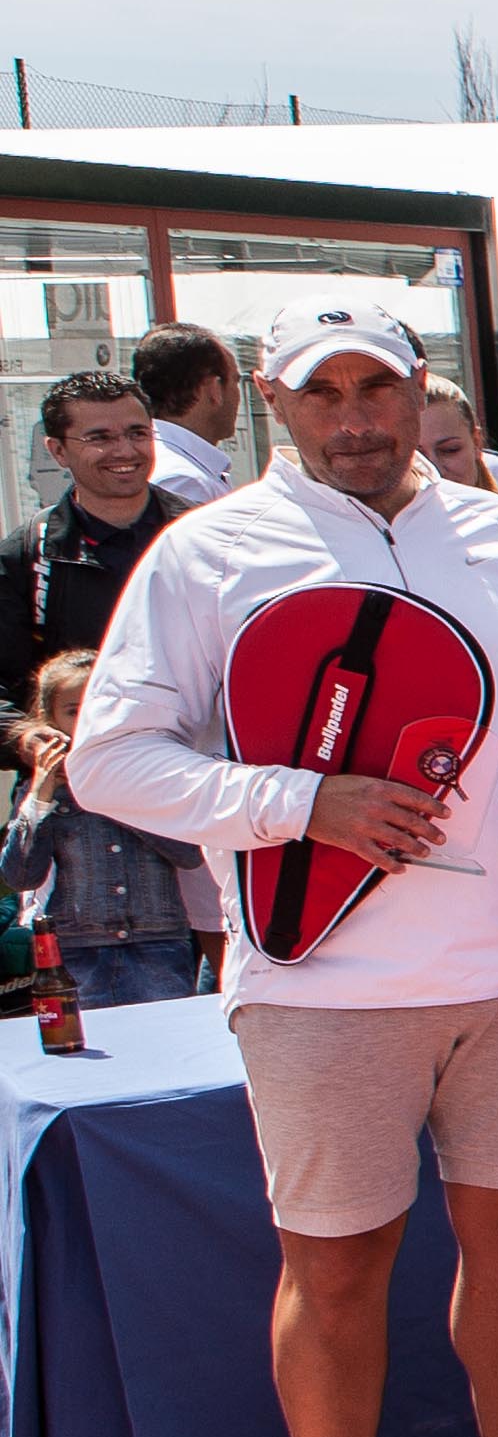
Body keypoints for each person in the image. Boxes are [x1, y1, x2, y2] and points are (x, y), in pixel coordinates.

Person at [71, 299, 498, 1437]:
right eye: (324, 390)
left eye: (377, 387)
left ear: (414, 389)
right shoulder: (206, 554)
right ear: (274, 398)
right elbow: (110, 759)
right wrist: (300, 802)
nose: (356, 416)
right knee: (336, 1268)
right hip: (317, 981)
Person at [12, 649, 201, 1005]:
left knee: (166, 1046)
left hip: (156, 942)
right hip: (78, 947)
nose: (87, 721)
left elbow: (191, 855)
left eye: (98, 707)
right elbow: (21, 875)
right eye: (72, 711)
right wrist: (41, 794)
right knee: (87, 1051)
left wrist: (115, 793)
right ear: (50, 719)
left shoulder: (149, 774)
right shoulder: (44, 786)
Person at [9, 373, 186, 681]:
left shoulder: (204, 532)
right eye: (100, 438)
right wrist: (25, 730)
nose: (125, 450)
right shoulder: (28, 556)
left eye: (137, 433)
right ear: (58, 451)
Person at [129, 322, 237, 504]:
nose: (237, 393)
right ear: (214, 389)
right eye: (235, 380)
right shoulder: (182, 479)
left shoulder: (176, 464)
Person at [415, 374, 498, 521]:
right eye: (416, 456)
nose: (434, 468)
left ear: (477, 443)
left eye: (450, 450)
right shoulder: (390, 538)